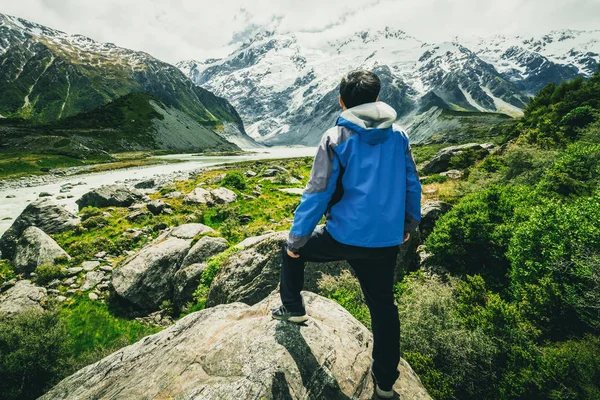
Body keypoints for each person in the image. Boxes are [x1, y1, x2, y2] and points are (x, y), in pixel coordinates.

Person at [271, 69, 422, 399]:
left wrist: (297, 241)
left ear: (342, 101)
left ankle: (293, 308)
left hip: (342, 236)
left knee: (292, 251)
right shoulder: (399, 136)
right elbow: (412, 183)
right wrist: (408, 225)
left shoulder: (336, 137)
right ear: (378, 99)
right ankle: (384, 385)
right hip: (385, 241)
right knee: (383, 307)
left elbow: (317, 193)